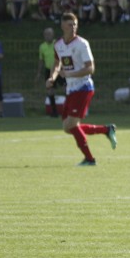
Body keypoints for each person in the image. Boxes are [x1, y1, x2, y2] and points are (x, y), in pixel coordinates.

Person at [47, 12, 117, 166]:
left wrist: (70, 73)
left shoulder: (82, 44)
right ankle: (106, 130)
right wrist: (52, 77)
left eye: (75, 25)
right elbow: (57, 63)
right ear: (62, 26)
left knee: (71, 124)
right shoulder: (58, 45)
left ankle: (90, 159)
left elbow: (90, 68)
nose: (73, 28)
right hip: (71, 89)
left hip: (83, 87)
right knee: (67, 127)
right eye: (70, 25)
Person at [36, 27, 63, 117]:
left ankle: (70, 109)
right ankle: (54, 112)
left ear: (53, 35)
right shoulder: (42, 46)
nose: (48, 36)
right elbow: (41, 60)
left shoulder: (57, 43)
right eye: (46, 34)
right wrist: (39, 73)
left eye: (50, 34)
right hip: (49, 70)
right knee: (50, 91)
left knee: (67, 88)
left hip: (59, 69)